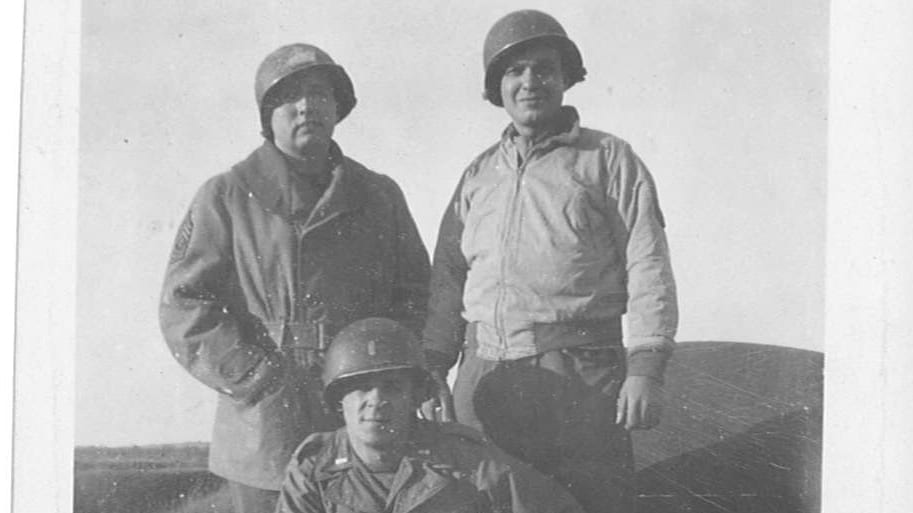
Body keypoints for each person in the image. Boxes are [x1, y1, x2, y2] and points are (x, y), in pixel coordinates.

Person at [421, 10, 679, 513]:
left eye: (543, 68)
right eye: (514, 72)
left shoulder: (608, 159)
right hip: (485, 376)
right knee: (482, 500)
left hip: (578, 377)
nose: (530, 82)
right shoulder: (478, 174)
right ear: (497, 87)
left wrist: (646, 366)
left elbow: (648, 263)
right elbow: (448, 276)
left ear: (566, 78)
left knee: (587, 502)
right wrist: (433, 365)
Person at [159, 43, 430, 513]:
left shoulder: (379, 195)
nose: (307, 106)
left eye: (320, 93)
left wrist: (388, 382)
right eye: (291, 97)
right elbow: (184, 303)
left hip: (358, 412)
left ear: (338, 107)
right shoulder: (225, 196)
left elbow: (417, 295)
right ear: (269, 115)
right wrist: (254, 373)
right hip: (264, 421)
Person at [276, 317, 585, 513]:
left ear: (415, 398)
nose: (377, 400)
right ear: (339, 401)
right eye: (361, 388)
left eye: (392, 387)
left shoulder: (465, 461)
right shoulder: (314, 469)